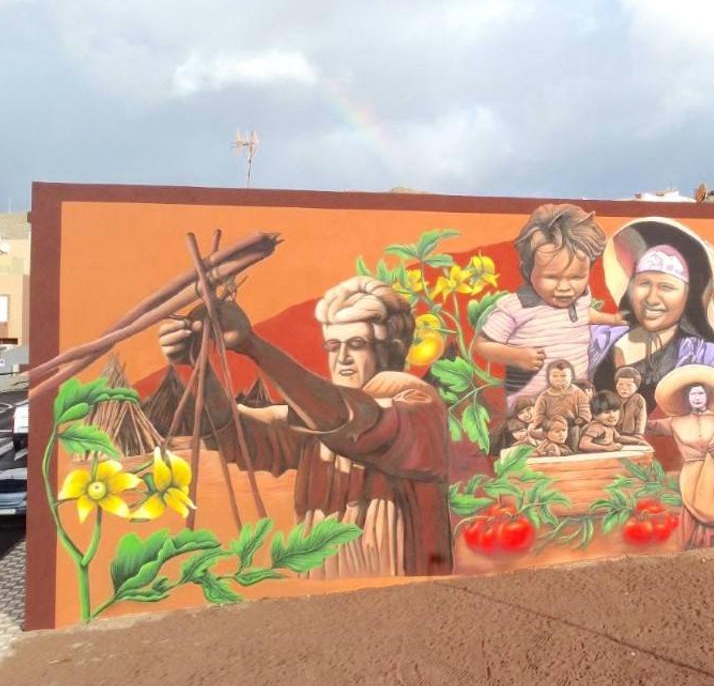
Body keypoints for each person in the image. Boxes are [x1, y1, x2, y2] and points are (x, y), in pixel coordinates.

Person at [157, 276, 451, 578]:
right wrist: (199, 365)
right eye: (334, 346)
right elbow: (238, 433)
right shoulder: (315, 418)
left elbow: (354, 422)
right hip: (322, 595)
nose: (343, 358)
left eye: (357, 344)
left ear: (393, 349)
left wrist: (251, 345)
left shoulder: (417, 403)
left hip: (398, 596)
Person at [472, 203, 622, 408]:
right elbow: (481, 345)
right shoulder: (515, 307)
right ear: (527, 270)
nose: (564, 288)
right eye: (552, 277)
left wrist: (612, 319)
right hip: (529, 406)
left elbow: (585, 313)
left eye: (577, 277)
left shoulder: (581, 298)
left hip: (577, 400)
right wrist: (517, 356)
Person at [590, 218, 714, 409]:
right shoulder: (598, 338)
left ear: (688, 295)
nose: (651, 299)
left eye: (666, 287)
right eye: (644, 284)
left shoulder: (705, 357)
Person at [647, 365, 714, 548]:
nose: (697, 398)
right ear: (687, 398)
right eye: (693, 395)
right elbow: (648, 426)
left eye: (700, 394)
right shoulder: (675, 422)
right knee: (696, 520)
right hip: (693, 478)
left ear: (707, 396)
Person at [580, 390, 649, 453]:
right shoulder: (596, 427)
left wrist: (638, 441)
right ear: (595, 415)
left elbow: (618, 438)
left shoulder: (608, 426)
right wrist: (606, 448)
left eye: (615, 411)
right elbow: (583, 444)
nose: (612, 415)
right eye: (607, 412)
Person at [615, 366, 648, 442]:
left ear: (636, 387)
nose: (624, 388)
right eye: (620, 384)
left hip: (631, 434)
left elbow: (641, 417)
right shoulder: (612, 398)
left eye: (629, 385)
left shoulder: (639, 399)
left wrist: (639, 433)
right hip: (614, 433)